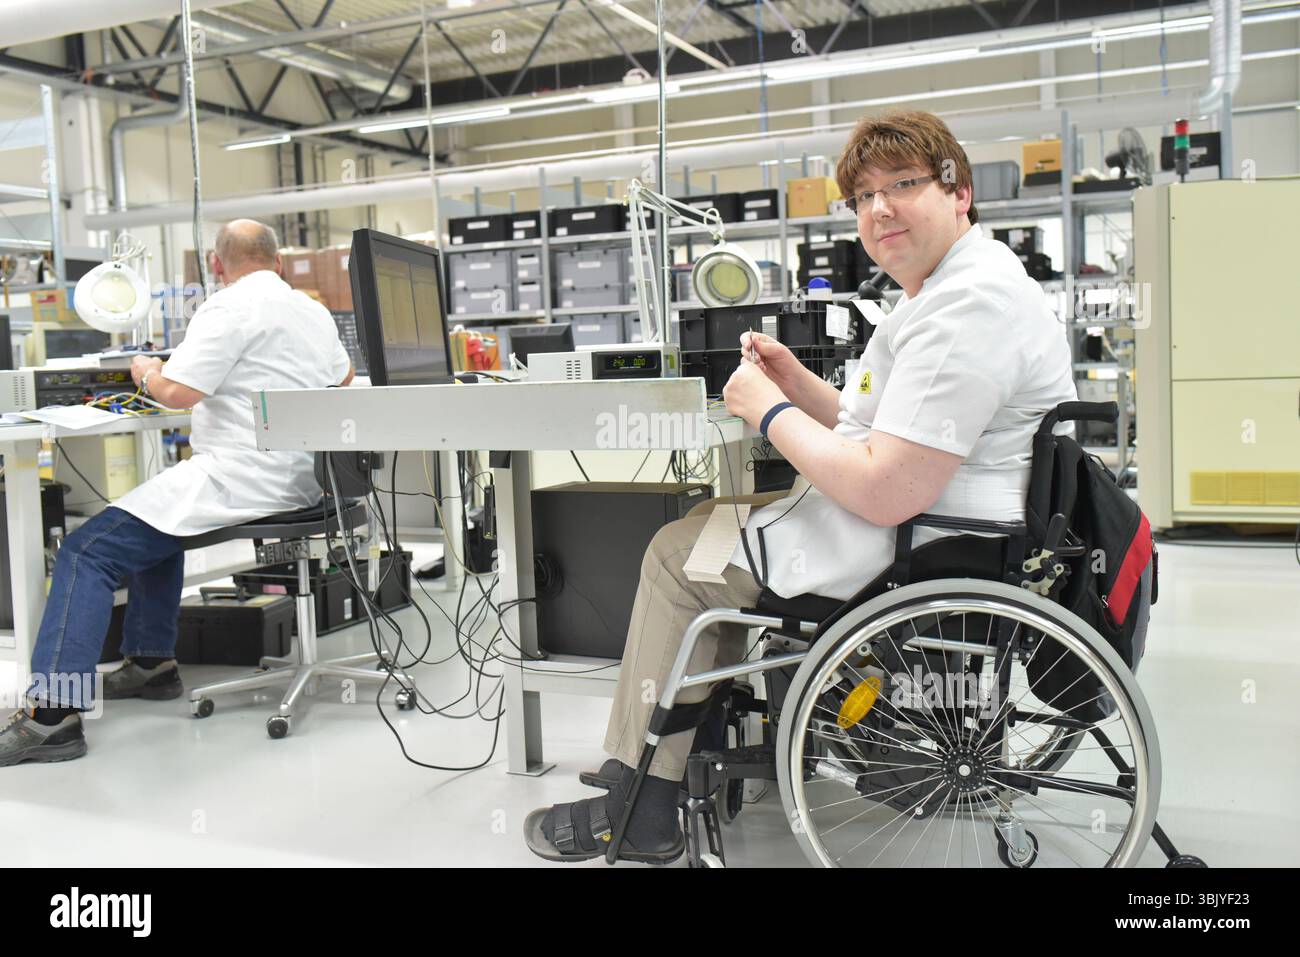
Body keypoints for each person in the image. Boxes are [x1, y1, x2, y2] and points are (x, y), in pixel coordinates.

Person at [524, 109, 1077, 863]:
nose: (879, 210)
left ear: (959, 193)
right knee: (711, 519)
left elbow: (885, 487)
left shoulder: (964, 308)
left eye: (903, 185)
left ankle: (640, 802)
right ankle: (663, 762)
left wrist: (769, 409)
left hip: (915, 537)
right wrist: (802, 385)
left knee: (677, 556)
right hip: (929, 516)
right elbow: (874, 421)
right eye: (863, 197)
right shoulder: (948, 288)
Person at [0, 219, 354, 767]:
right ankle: (150, 664)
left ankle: (52, 716)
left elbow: (179, 394)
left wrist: (146, 369)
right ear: (278, 262)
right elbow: (343, 382)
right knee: (156, 525)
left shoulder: (227, 307)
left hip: (240, 477)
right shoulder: (311, 310)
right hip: (304, 480)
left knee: (85, 552)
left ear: (217, 265)